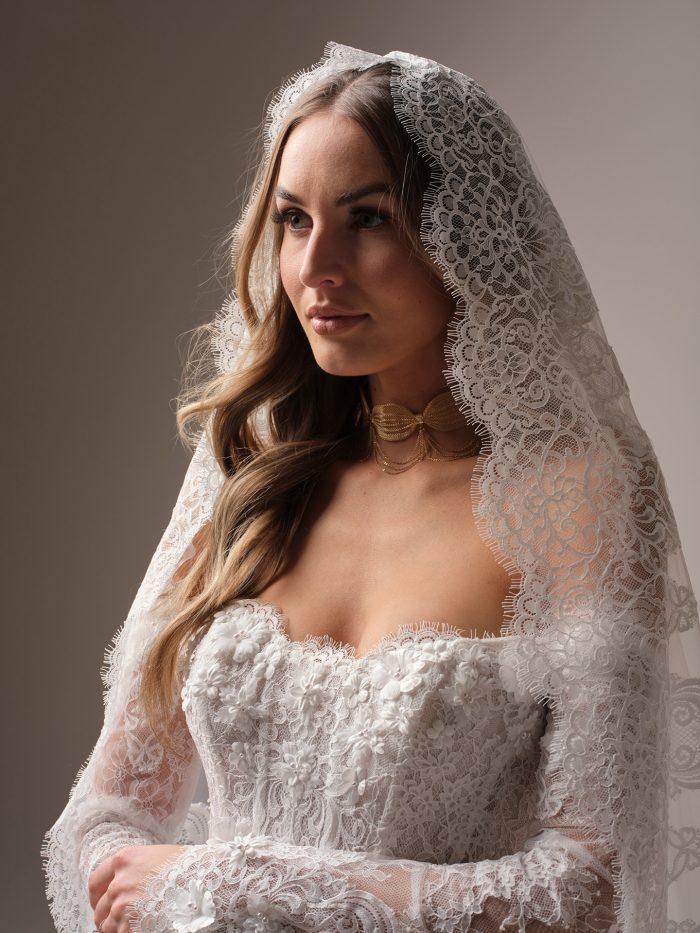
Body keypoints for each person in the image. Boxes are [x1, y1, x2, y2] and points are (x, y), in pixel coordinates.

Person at [42, 41, 700, 933]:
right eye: (293, 220)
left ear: (464, 236)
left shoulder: (576, 498)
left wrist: (241, 877)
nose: (317, 267)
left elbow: (583, 882)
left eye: (369, 218)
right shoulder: (251, 470)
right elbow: (104, 814)